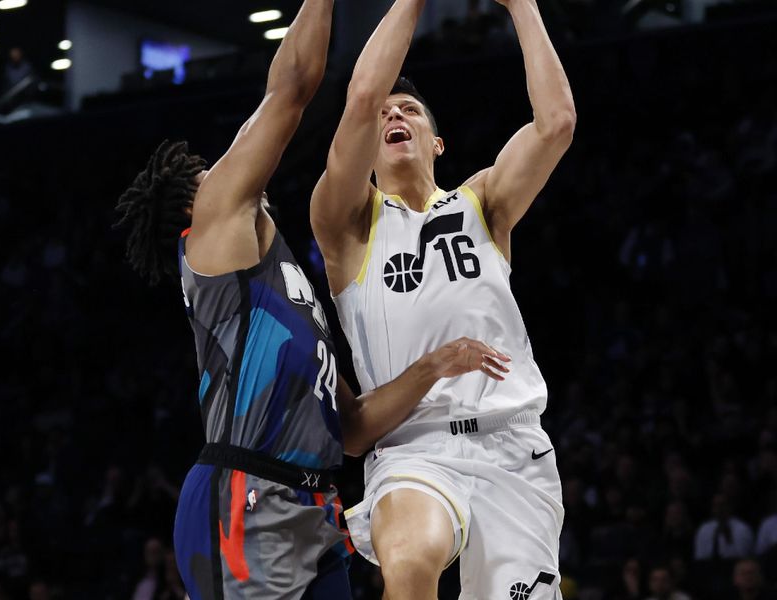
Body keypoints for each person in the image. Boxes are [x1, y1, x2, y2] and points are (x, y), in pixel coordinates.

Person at [114, 1, 507, 598]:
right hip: (245, 494)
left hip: (314, 505)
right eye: (210, 171)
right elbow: (294, 85)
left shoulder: (289, 288)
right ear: (197, 202)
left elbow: (349, 429)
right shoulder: (216, 228)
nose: (226, 168)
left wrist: (433, 366)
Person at [309, 0, 575, 597]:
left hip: (515, 449)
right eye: (384, 115)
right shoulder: (348, 225)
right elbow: (360, 98)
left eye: (408, 110)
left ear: (437, 143)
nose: (392, 114)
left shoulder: (482, 203)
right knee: (407, 562)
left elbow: (556, 123)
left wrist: (521, 6)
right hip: (415, 449)